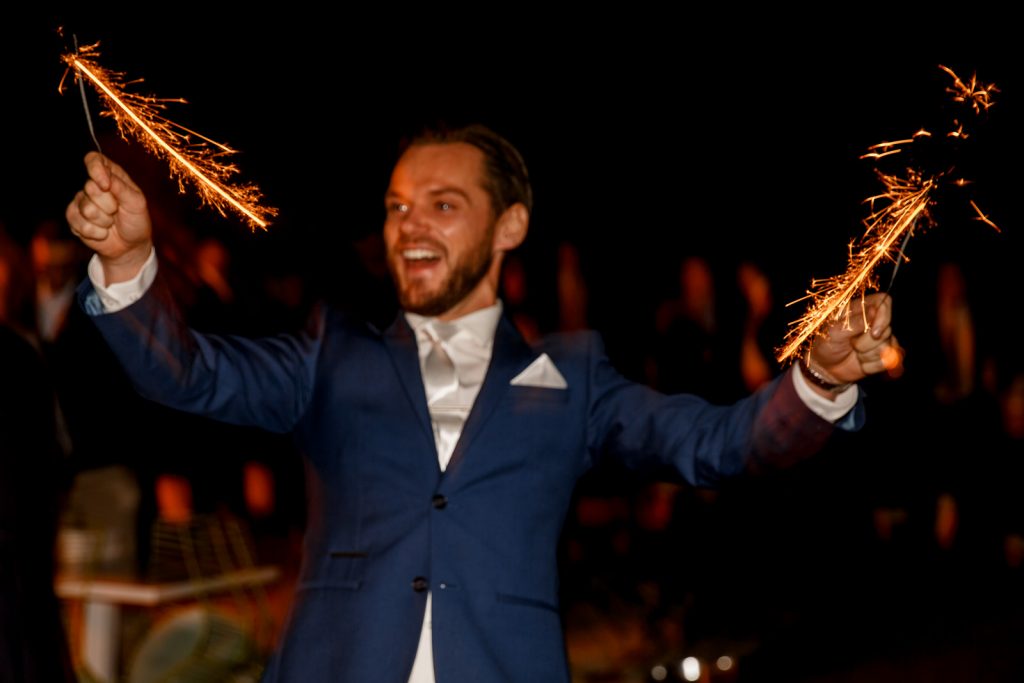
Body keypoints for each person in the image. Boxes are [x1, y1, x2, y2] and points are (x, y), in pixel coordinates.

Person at [66, 124, 898, 683]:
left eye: (442, 205)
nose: (409, 225)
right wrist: (132, 264)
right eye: (396, 206)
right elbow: (187, 373)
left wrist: (819, 382)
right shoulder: (331, 352)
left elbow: (720, 442)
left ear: (510, 226)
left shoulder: (573, 373)